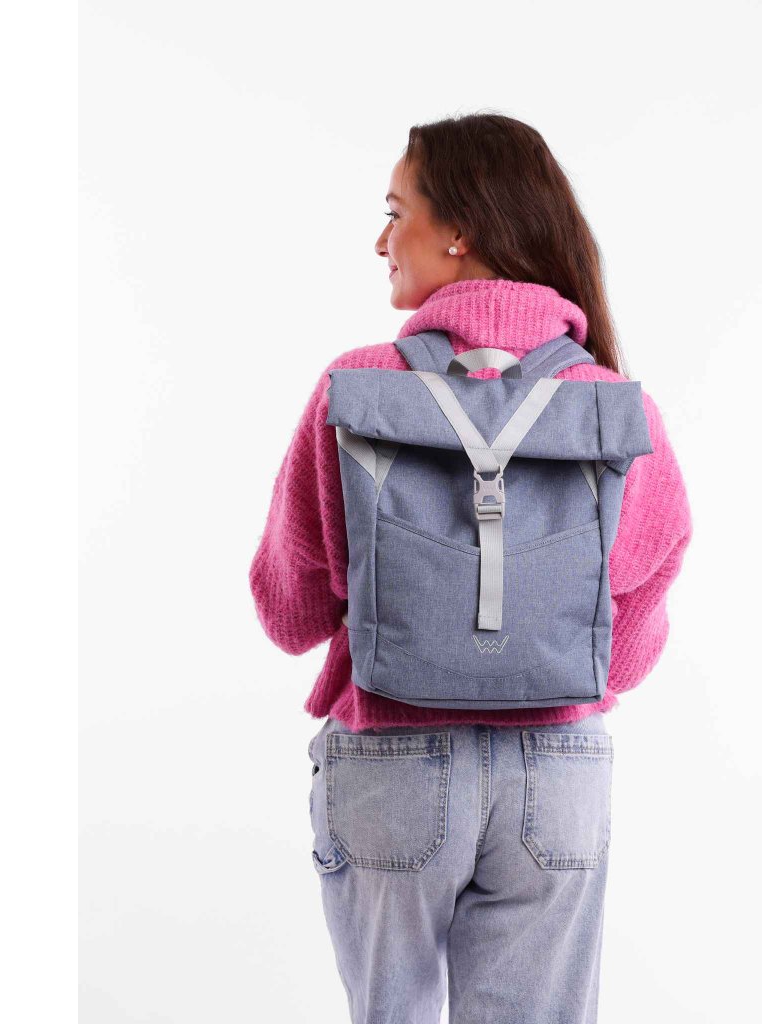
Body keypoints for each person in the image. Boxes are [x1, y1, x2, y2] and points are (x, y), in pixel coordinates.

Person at [248, 112, 694, 1024]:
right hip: (558, 771)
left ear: (459, 230)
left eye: (395, 212)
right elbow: (629, 639)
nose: (382, 240)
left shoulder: (356, 387)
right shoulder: (614, 407)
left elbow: (288, 614)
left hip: (392, 762)